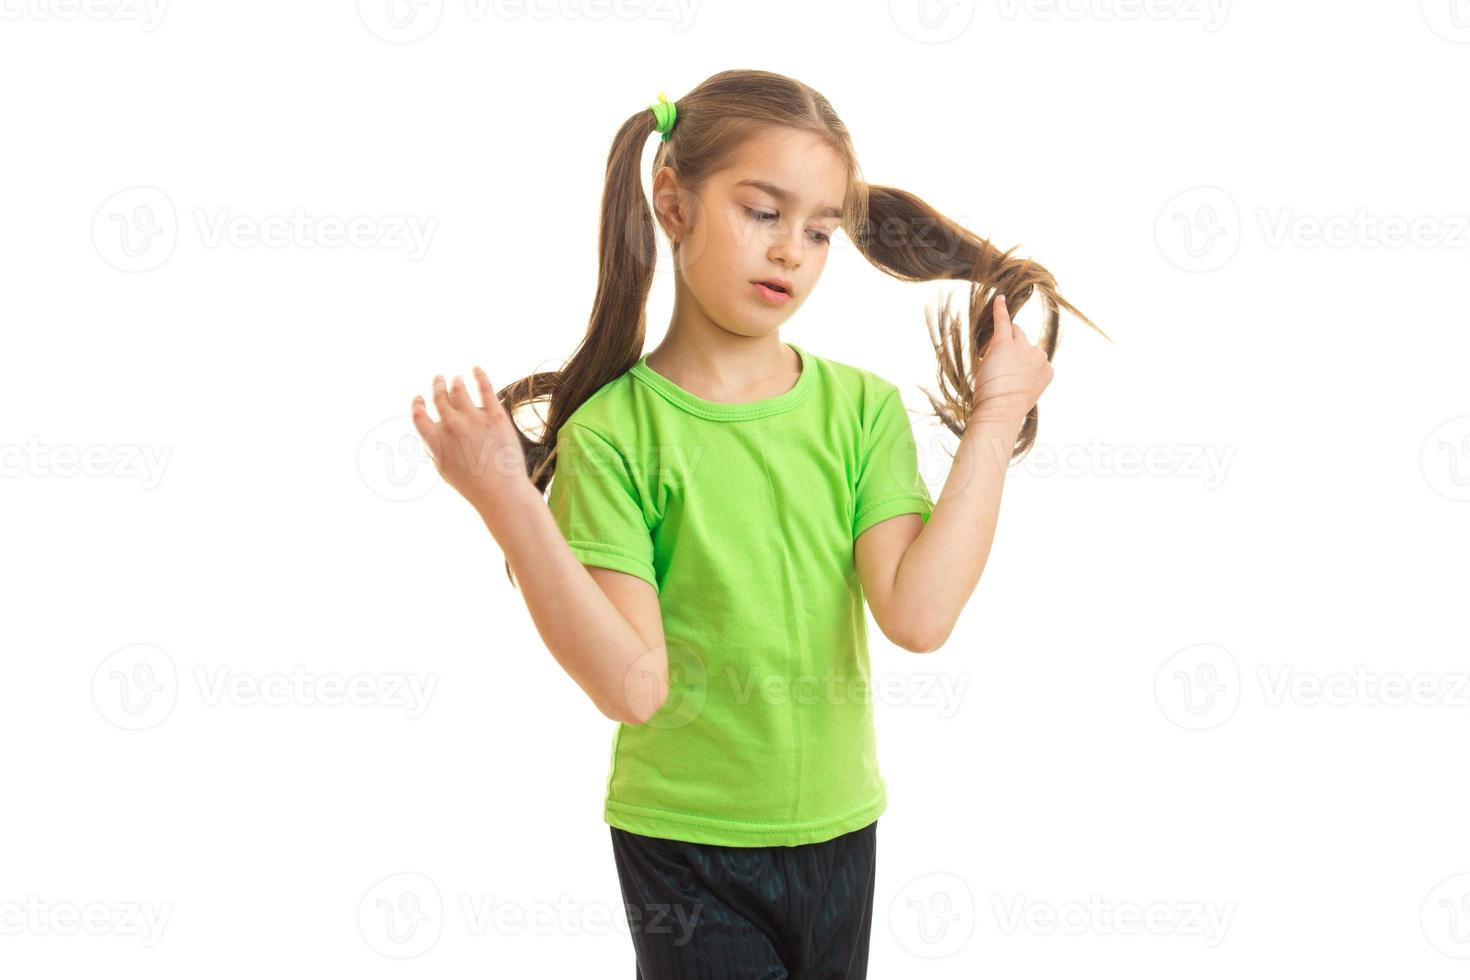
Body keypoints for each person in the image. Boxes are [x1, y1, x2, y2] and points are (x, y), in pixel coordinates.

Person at [410, 68, 1103, 980]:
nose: (791, 253)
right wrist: (506, 500)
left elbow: (920, 616)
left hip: (841, 831)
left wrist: (996, 414)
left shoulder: (862, 411)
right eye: (762, 212)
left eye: (818, 231)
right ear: (675, 205)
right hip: (683, 850)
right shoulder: (616, 433)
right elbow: (634, 687)